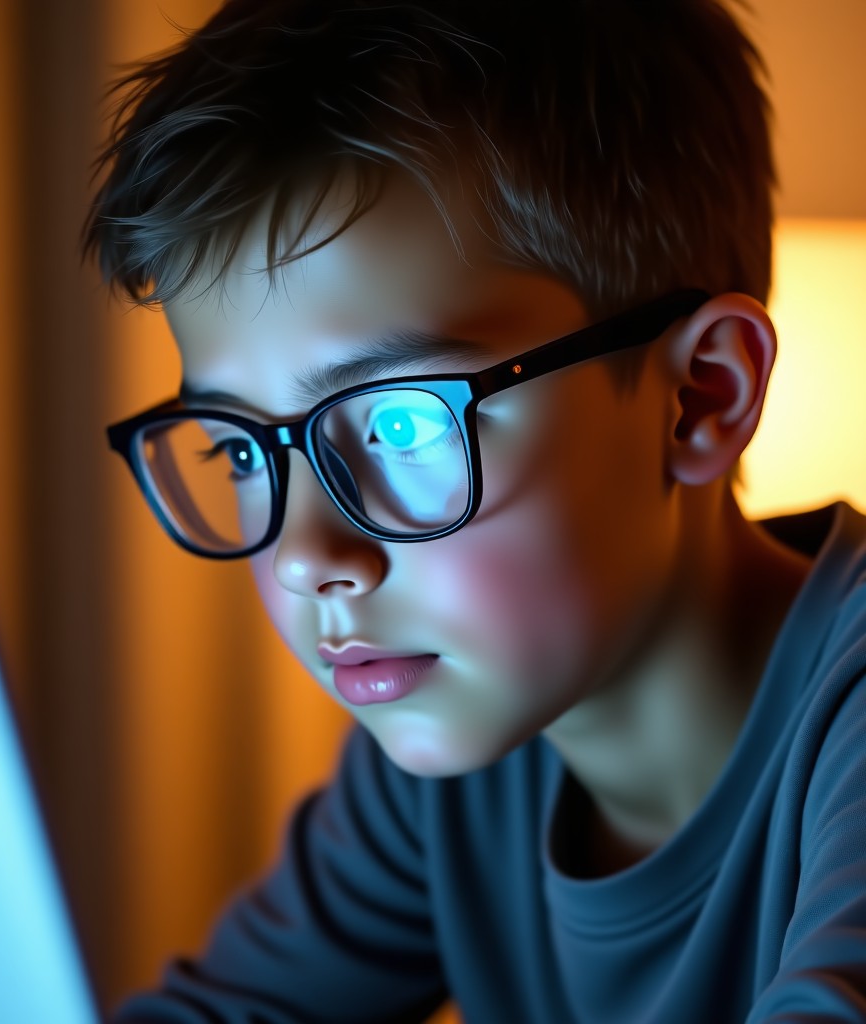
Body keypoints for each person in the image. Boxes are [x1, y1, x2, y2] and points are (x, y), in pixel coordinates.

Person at [83, 1, 866, 1019]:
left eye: (400, 425)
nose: (303, 555)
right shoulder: (446, 765)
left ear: (699, 397)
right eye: (239, 447)